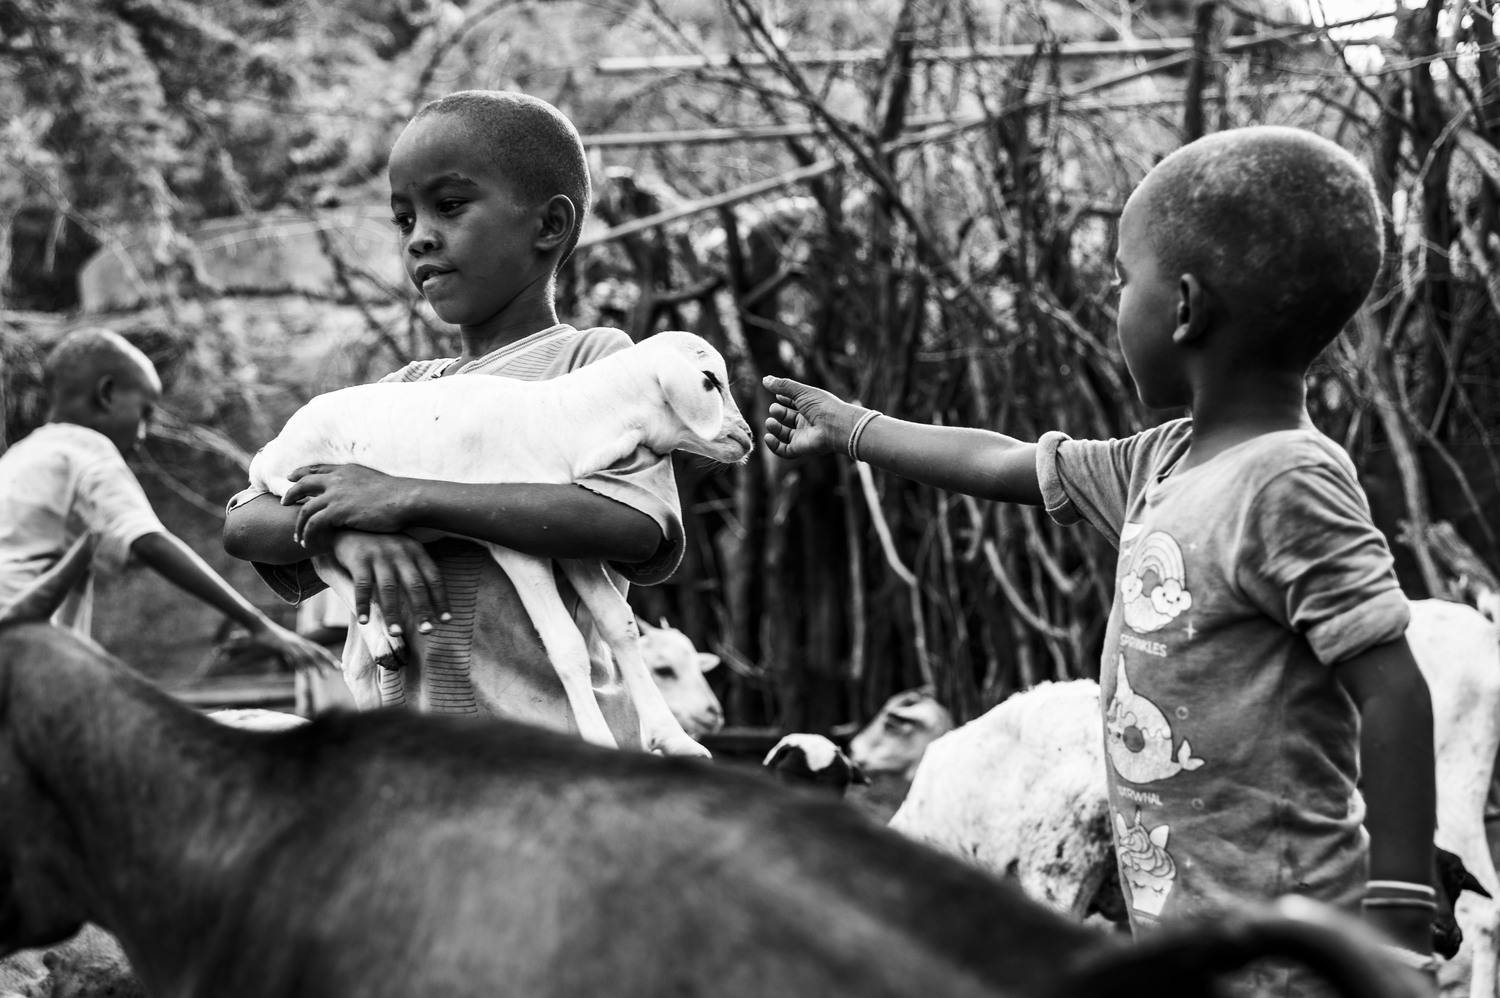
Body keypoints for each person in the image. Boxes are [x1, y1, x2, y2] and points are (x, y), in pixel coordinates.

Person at [762, 126, 1437, 992]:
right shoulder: (1160, 461)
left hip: (1293, 952)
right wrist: (852, 426)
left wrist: (1396, 929)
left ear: (1186, 307)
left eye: (1122, 282)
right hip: (1188, 936)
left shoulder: (1289, 481)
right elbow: (998, 460)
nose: (1113, 303)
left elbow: (1395, 694)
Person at [222, 90, 684, 747]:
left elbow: (633, 524)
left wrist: (404, 500)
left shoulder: (595, 367)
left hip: (560, 759)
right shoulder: (402, 394)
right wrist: (344, 535)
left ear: (549, 226)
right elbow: (245, 519)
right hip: (420, 769)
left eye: (450, 206)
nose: (420, 239)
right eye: (403, 219)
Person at [0, 328, 334, 678]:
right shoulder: (86, 449)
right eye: (144, 413)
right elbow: (151, 544)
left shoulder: (19, 459)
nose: (143, 433)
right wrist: (259, 625)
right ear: (107, 393)